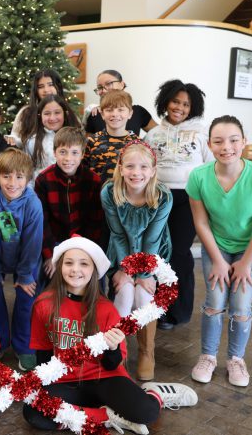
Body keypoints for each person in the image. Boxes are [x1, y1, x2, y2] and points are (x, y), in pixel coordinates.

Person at [24, 236, 197, 433]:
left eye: (84, 264)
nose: (75, 270)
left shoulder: (106, 309)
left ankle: (154, 393)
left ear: (93, 270)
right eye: (68, 263)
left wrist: (113, 348)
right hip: (66, 383)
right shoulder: (44, 304)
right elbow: (44, 354)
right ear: (60, 266)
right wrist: (41, 389)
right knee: (33, 411)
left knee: (147, 412)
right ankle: (107, 416)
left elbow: (112, 364)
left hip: (103, 378)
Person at [187, 115, 252, 388]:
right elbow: (201, 222)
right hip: (217, 247)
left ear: (244, 142)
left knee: (240, 304)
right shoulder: (199, 177)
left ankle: (236, 360)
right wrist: (217, 259)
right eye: (218, 141)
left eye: (233, 140)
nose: (226, 146)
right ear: (210, 144)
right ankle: (208, 357)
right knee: (215, 302)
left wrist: (245, 264)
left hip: (251, 248)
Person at [101, 141, 172, 382]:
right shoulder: (109, 192)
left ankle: (146, 352)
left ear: (153, 170)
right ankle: (118, 351)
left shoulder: (163, 196)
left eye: (143, 167)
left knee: (143, 295)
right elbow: (118, 234)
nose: (136, 172)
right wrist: (125, 270)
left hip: (151, 254)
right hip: (120, 253)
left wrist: (143, 275)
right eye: (129, 166)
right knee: (125, 293)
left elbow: (152, 238)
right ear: (120, 168)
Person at [144, 79, 212, 331]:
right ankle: (158, 308)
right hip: (157, 199)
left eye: (186, 104)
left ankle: (178, 312)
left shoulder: (201, 134)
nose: (179, 107)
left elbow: (210, 168)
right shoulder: (153, 134)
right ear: (166, 102)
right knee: (158, 253)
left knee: (179, 254)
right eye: (175, 101)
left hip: (187, 200)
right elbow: (145, 166)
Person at [0, 148, 43, 371]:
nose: (12, 182)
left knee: (26, 300)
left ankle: (24, 346)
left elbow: (33, 242)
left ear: (28, 178)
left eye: (19, 176)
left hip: (26, 259)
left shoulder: (32, 203)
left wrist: (25, 275)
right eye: (6, 176)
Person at [34, 127, 104, 289]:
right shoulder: (43, 180)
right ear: (54, 152)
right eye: (63, 152)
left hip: (84, 242)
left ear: (82, 153)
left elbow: (95, 222)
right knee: (44, 279)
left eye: (74, 152)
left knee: (95, 281)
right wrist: (50, 255)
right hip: (55, 242)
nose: (68, 158)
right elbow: (42, 222)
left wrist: (86, 252)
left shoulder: (93, 180)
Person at [20, 94, 81, 180]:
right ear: (39, 115)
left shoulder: (77, 138)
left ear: (65, 113)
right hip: (39, 190)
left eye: (57, 112)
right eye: (47, 113)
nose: (52, 118)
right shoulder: (32, 141)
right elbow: (25, 173)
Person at [85, 90, 138, 182]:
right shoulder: (91, 141)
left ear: (130, 114)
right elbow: (82, 171)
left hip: (126, 194)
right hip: (96, 194)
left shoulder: (138, 144)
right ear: (102, 114)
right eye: (109, 110)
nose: (114, 114)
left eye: (120, 110)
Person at [84, 70, 156, 136]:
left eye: (109, 83)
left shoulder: (139, 112)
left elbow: (161, 135)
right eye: (99, 87)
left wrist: (143, 148)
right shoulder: (95, 113)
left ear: (122, 84)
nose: (104, 91)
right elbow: (85, 145)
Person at [10, 69, 68, 139]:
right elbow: (15, 138)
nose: (46, 90)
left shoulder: (68, 111)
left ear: (58, 87)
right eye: (41, 87)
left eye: (50, 85)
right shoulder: (26, 112)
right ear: (36, 90)